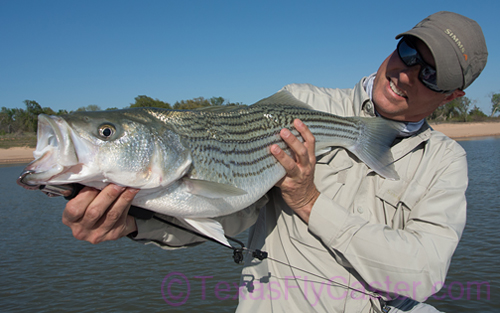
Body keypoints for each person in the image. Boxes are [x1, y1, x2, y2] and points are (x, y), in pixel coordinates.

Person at [62, 11, 487, 313]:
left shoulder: (444, 161)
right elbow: (232, 209)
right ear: (397, 45)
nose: (407, 74)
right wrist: (134, 222)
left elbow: (421, 275)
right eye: (410, 52)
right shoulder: (305, 104)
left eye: (431, 74)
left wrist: (309, 201)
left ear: (453, 96)